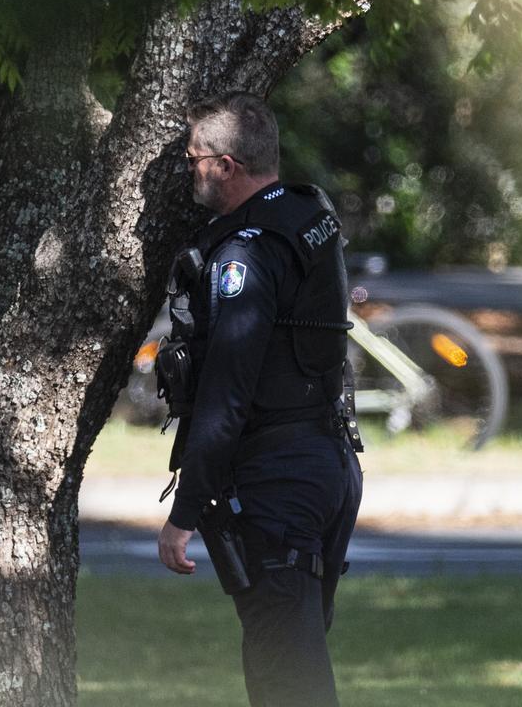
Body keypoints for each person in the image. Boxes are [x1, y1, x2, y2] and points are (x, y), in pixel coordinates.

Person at [155, 91, 364, 707]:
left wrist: (183, 514)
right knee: (294, 660)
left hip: (279, 480)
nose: (189, 171)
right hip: (329, 463)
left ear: (227, 165)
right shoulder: (306, 213)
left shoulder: (243, 253)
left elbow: (227, 395)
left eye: (194, 159)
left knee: (286, 679)